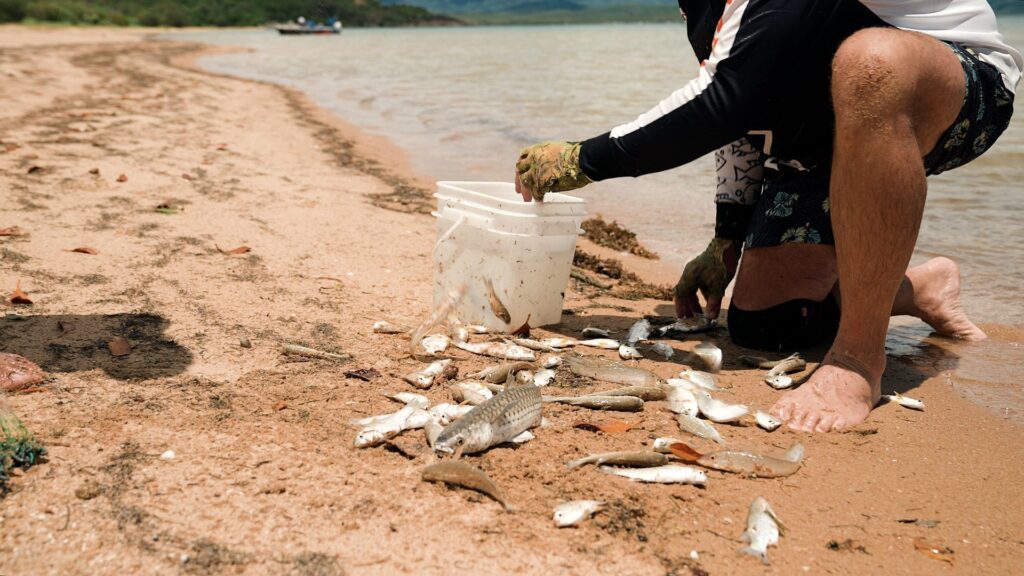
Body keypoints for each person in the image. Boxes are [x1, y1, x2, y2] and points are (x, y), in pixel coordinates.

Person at [514, 0, 1020, 432]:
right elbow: (738, 99)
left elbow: (729, 99)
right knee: (767, 325)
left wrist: (583, 159)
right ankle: (916, 287)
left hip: (951, 84)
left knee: (873, 61)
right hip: (820, 127)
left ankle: (858, 358)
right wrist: (726, 237)